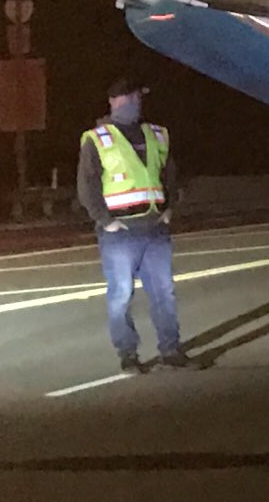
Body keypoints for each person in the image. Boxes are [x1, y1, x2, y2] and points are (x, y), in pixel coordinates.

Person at [76, 77, 187, 372]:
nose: (136, 102)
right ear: (114, 101)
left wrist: (169, 210)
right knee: (121, 296)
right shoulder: (97, 138)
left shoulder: (157, 134)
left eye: (138, 97)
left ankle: (171, 350)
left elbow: (170, 175)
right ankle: (128, 356)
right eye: (131, 97)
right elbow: (87, 187)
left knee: (164, 293)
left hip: (154, 228)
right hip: (120, 233)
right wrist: (105, 221)